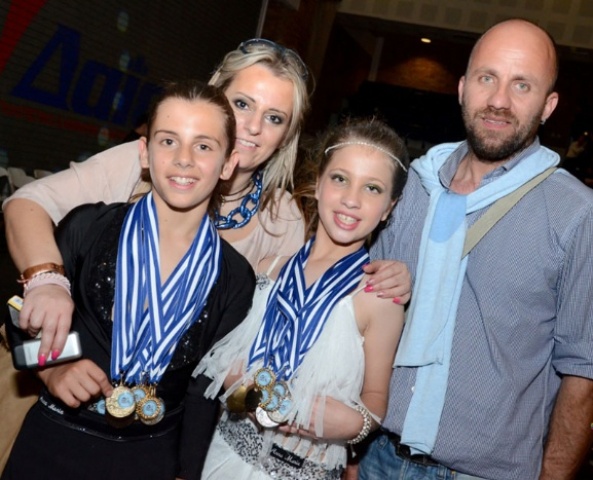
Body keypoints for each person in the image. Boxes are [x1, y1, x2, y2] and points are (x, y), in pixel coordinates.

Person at [2, 38, 410, 360]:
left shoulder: (282, 218)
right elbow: (27, 203)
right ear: (216, 96)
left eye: (274, 118)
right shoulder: (148, 163)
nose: (252, 127)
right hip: (55, 363)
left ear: (287, 136)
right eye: (242, 104)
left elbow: (308, 305)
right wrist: (47, 281)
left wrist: (387, 277)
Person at [358, 18, 593, 480]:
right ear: (463, 88)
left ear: (548, 106)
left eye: (521, 85)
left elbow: (584, 372)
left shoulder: (576, 214)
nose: (499, 100)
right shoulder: (413, 185)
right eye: (488, 78)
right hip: (377, 456)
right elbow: (361, 319)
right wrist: (351, 453)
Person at [1, 80, 255, 480]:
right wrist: (53, 371)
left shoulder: (235, 278)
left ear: (228, 164)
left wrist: (186, 472)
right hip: (54, 445)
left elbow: (202, 394)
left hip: (150, 459)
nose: (184, 159)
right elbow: (19, 318)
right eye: (168, 141)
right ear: (144, 152)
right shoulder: (89, 226)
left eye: (204, 146)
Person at [195, 117, 409, 479]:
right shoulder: (267, 269)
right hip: (224, 457)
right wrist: (244, 389)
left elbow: (375, 399)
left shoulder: (380, 298)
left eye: (372, 188)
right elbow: (222, 364)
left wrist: (355, 424)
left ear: (389, 207)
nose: (352, 199)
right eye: (340, 179)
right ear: (319, 183)